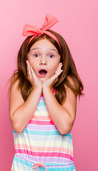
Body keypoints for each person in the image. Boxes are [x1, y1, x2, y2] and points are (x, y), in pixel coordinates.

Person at [9, 14, 83, 171]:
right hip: (25, 166)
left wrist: (47, 89)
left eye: (51, 55)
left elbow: (64, 127)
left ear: (61, 60)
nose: (43, 61)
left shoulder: (68, 84)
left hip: (60, 167)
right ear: (26, 59)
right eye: (36, 55)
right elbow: (18, 124)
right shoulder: (19, 82)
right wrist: (37, 89)